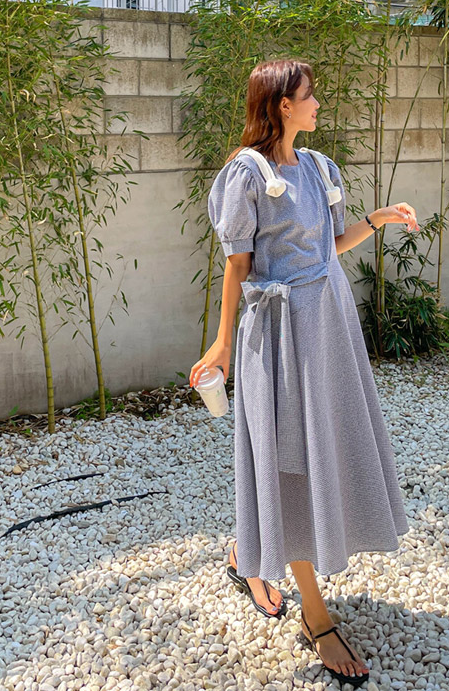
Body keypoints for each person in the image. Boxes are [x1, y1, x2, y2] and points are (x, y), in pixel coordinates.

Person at [189, 58, 417, 686]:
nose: (318, 104)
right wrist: (223, 343)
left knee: (322, 449)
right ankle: (316, 617)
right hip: (279, 333)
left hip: (329, 327)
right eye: (309, 95)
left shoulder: (317, 168)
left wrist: (378, 219)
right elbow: (238, 266)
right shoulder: (246, 174)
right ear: (282, 105)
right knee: (290, 462)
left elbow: (326, 247)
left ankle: (249, 549)